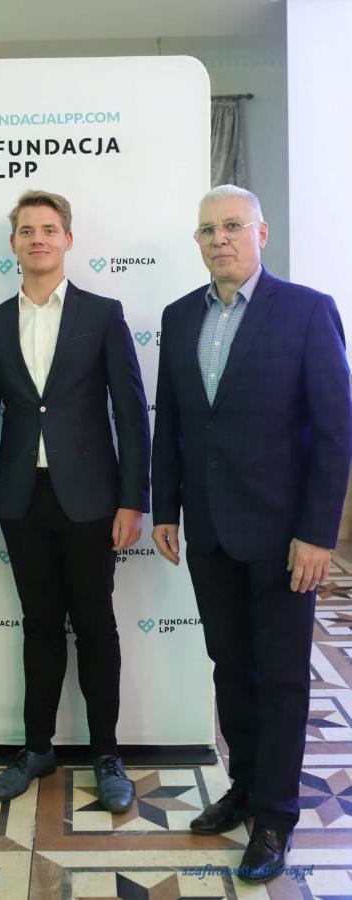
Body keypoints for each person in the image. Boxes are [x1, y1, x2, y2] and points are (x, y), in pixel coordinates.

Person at [151, 185, 352, 883]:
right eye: (207, 230)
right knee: (230, 667)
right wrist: (166, 507)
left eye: (232, 226)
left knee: (281, 678)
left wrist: (317, 534)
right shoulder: (180, 316)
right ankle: (242, 786)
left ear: (260, 233)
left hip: (282, 537)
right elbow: (173, 422)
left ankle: (274, 814)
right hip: (208, 532)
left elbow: (335, 433)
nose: (219, 240)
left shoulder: (306, 311)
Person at [0, 190, 150, 812]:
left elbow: (131, 414)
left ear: (67, 239)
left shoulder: (103, 313)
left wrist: (133, 499)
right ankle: (37, 747)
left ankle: (107, 754)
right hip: (22, 500)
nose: (37, 239)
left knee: (95, 626)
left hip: (93, 502)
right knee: (39, 624)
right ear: (13, 244)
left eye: (48, 229)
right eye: (27, 230)